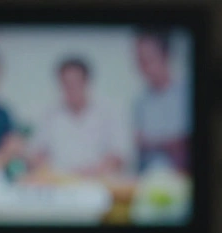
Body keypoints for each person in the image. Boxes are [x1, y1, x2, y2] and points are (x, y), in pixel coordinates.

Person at [29, 56, 129, 177]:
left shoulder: (108, 112)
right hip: (60, 184)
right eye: (66, 83)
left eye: (75, 82)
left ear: (87, 81)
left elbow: (119, 154)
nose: (71, 88)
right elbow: (37, 153)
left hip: (100, 182)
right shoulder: (49, 114)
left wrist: (95, 171)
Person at [132, 28, 191, 172]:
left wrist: (152, 142)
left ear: (166, 56)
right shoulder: (140, 102)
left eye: (148, 60)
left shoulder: (186, 92)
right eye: (140, 61)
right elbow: (138, 144)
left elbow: (185, 143)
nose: (144, 68)